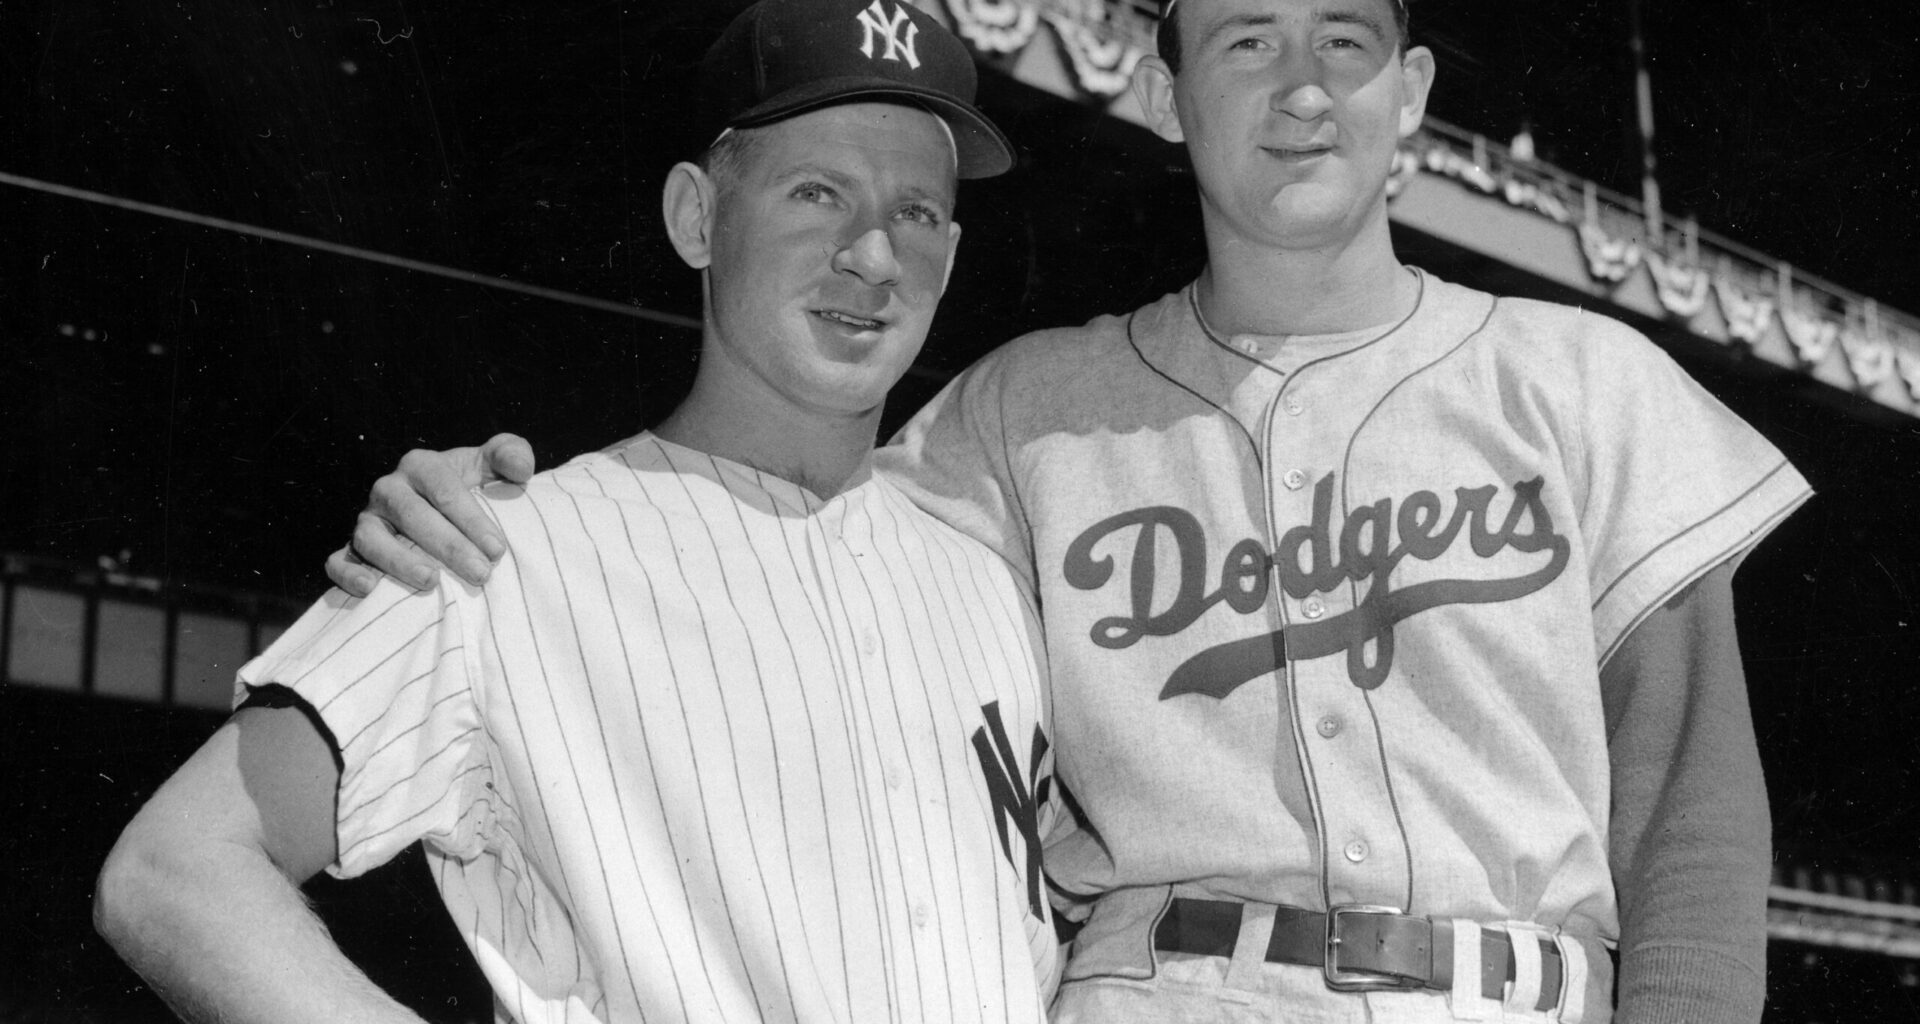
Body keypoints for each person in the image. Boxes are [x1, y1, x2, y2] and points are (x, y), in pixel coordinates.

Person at [334, 1, 1809, 1021]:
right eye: (1243, 41)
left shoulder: (1586, 380)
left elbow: (1693, 818)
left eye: (1344, 44)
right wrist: (479, 511)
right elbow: (779, 528)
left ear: (1411, 94)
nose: (1301, 89)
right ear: (1165, 93)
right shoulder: (1018, 413)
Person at [94, 2, 1063, 1021]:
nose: (871, 255)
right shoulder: (500, 546)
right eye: (816, 192)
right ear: (697, 217)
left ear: (949, 255)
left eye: (912, 211)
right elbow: (175, 868)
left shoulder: (990, 588)